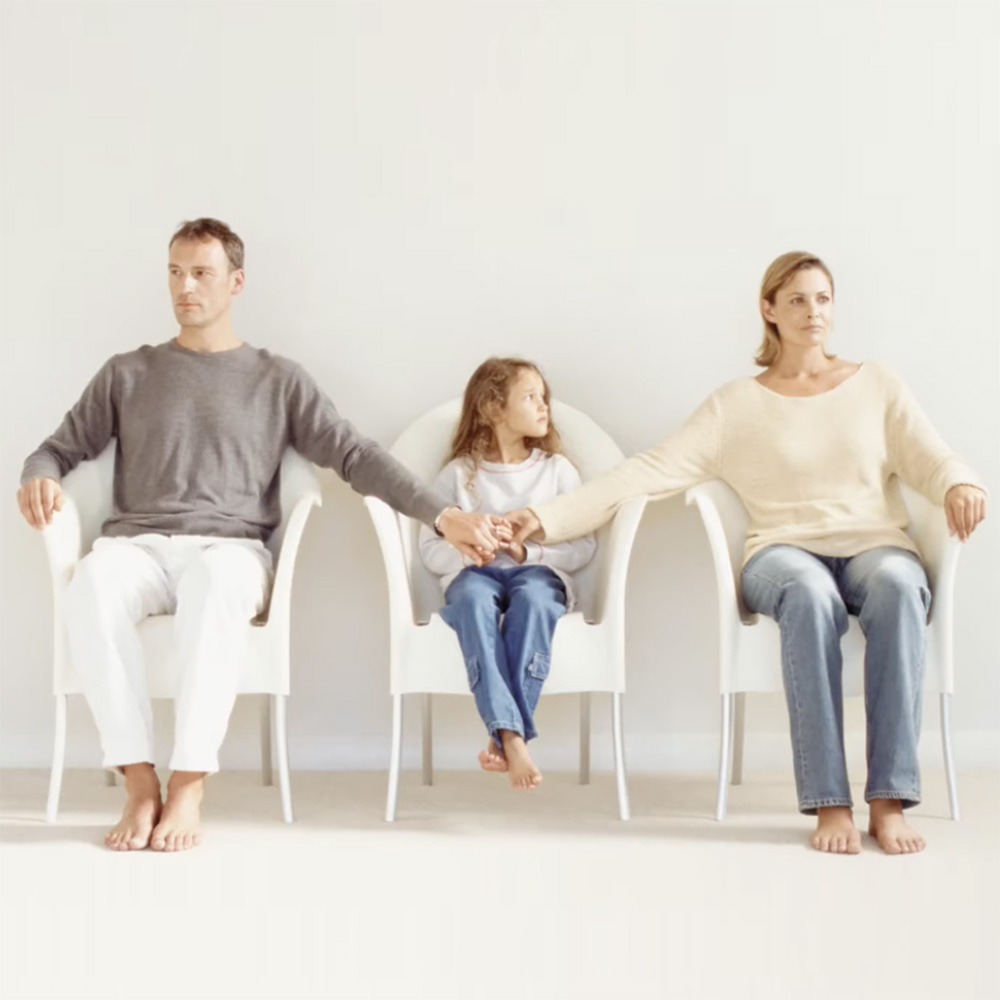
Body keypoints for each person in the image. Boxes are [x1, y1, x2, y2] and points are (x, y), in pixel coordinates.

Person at [17, 218, 503, 852]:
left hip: (231, 550)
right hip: (137, 547)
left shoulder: (278, 379)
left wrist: (443, 515)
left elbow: (355, 455)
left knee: (215, 584)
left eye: (201, 273)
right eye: (175, 273)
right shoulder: (127, 372)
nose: (185, 287)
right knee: (90, 585)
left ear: (236, 282)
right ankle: (139, 782)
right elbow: (56, 448)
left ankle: (188, 783)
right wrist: (38, 475)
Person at [507, 251, 986, 854]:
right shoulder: (735, 405)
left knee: (898, 583)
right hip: (781, 555)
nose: (813, 312)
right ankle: (829, 804)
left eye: (822, 299)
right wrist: (543, 518)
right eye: (797, 300)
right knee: (809, 595)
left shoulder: (878, 385)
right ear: (769, 310)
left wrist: (960, 482)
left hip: (873, 545)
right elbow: (647, 471)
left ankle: (888, 802)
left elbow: (931, 456)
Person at [419, 358, 596, 789]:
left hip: (537, 572)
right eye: (530, 397)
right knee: (472, 601)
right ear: (493, 408)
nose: (544, 406)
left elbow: (584, 545)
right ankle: (512, 738)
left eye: (543, 397)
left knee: (535, 600)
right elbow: (429, 549)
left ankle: (505, 735)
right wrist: (473, 552)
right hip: (475, 576)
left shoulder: (557, 471)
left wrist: (526, 550)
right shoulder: (459, 474)